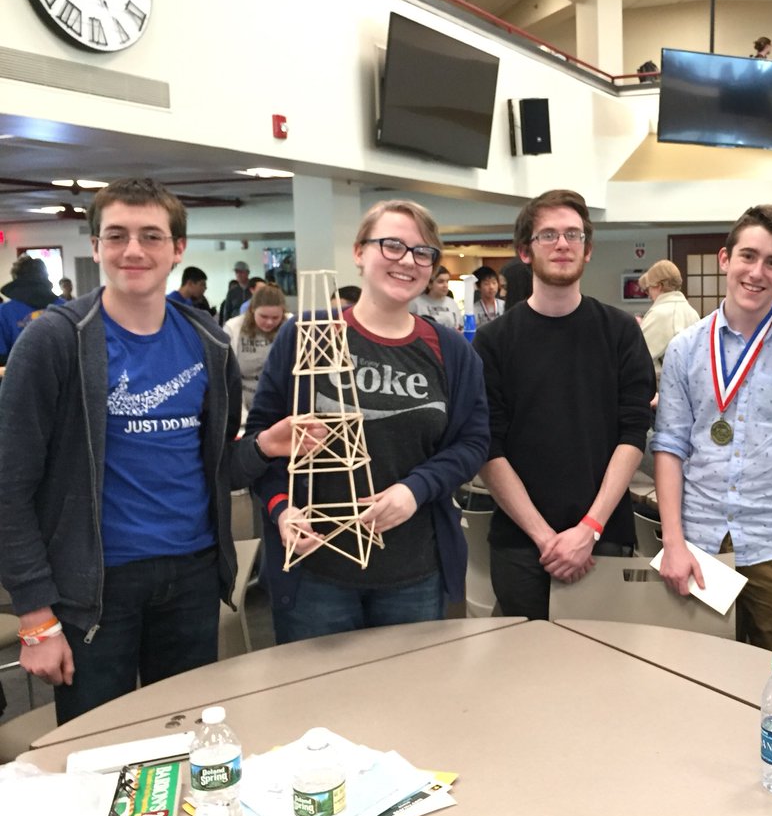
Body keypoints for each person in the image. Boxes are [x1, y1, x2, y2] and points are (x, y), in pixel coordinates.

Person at [0, 178, 312, 724]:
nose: (134, 250)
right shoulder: (56, 341)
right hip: (97, 585)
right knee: (98, 748)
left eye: (151, 235)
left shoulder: (209, 342)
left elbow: (215, 470)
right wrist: (35, 615)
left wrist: (263, 446)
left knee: (187, 735)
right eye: (116, 235)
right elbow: (9, 485)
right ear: (96, 246)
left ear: (177, 249)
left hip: (191, 576)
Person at [247, 200, 489, 643]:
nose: (407, 261)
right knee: (317, 705)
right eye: (392, 245)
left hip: (413, 574)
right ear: (359, 252)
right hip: (314, 573)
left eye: (422, 252)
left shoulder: (451, 351)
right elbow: (262, 445)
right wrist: (282, 512)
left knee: (406, 702)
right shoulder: (306, 335)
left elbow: (472, 443)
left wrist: (415, 490)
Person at [653, 206, 772, 662]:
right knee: (698, 677)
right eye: (748, 256)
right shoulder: (685, 349)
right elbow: (670, 448)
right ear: (724, 259)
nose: (757, 272)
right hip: (698, 541)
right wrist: (673, 542)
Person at [474, 189, 656, 620]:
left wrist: (588, 529)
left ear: (588, 250)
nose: (562, 244)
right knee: (525, 675)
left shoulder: (620, 332)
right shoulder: (493, 342)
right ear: (524, 251)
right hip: (521, 544)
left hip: (604, 537)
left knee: (602, 673)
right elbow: (488, 445)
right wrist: (543, 537)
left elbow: (633, 434)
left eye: (573, 234)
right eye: (548, 234)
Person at [223, 283, 288, 413]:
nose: (269, 322)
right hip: (244, 404)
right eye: (263, 316)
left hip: (281, 403)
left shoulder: (291, 325)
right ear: (252, 310)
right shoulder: (233, 328)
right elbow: (226, 376)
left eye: (276, 318)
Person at [636, 259, 699, 379]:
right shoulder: (692, 312)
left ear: (659, 286)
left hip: (667, 387)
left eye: (648, 288)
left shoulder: (660, 313)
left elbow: (638, 356)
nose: (648, 295)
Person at [0, 255, 59, 365]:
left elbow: (1, 358)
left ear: (16, 278)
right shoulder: (66, 307)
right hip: (62, 377)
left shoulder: (4, 312)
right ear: (46, 277)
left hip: (19, 377)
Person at [411, 265, 463, 331]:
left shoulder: (451, 303)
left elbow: (460, 327)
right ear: (429, 284)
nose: (445, 285)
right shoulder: (416, 302)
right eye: (440, 282)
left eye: (447, 281)